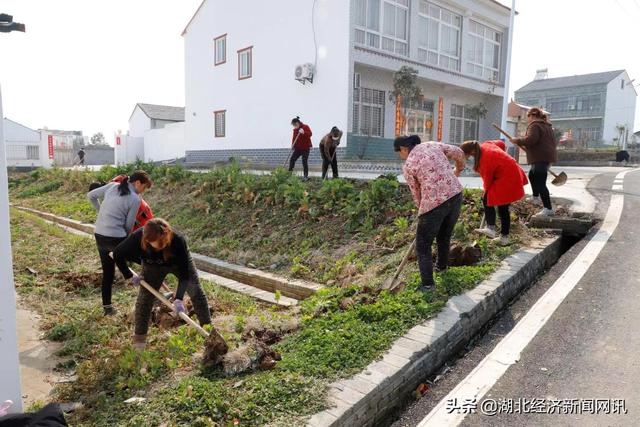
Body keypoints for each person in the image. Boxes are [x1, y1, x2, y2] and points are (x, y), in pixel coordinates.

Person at [113, 218, 212, 350]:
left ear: (166, 235)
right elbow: (117, 254)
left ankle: (209, 332)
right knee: (144, 300)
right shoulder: (138, 236)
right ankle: (139, 342)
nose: (159, 247)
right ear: (146, 239)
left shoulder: (178, 240)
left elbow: (184, 275)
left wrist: (179, 298)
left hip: (177, 264)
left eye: (161, 243)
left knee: (196, 292)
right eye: (155, 244)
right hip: (153, 266)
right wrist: (129, 275)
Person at [395, 135, 466, 293]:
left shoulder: (408, 165)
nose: (400, 155)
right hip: (455, 194)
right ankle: (441, 267)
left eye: (399, 152)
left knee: (423, 245)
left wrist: (422, 212)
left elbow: (416, 193)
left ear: (404, 149)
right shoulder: (432, 145)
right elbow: (459, 152)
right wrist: (459, 168)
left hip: (434, 203)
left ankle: (428, 285)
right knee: (444, 236)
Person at [87, 170, 152, 315]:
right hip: (116, 238)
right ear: (137, 183)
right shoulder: (135, 199)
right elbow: (128, 227)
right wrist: (127, 245)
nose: (144, 191)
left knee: (108, 273)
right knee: (146, 260)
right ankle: (156, 295)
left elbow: (90, 196)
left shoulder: (111, 186)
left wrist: (101, 211)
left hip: (99, 235)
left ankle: (107, 308)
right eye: (144, 187)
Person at [460, 140, 528, 246]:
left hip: (507, 178)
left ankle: (490, 228)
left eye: (468, 155)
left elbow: (488, 180)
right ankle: (504, 238)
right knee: (503, 208)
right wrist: (501, 156)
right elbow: (501, 143)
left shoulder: (485, 159)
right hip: (511, 173)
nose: (469, 157)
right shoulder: (486, 144)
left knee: (487, 199)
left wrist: (486, 192)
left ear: (472, 152)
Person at [510, 107, 557, 216]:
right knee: (532, 174)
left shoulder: (535, 125)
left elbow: (531, 140)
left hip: (540, 157)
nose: (527, 120)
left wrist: (517, 140)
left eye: (527, 117)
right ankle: (535, 197)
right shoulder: (547, 126)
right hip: (546, 156)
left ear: (532, 115)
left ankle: (548, 208)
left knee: (541, 183)